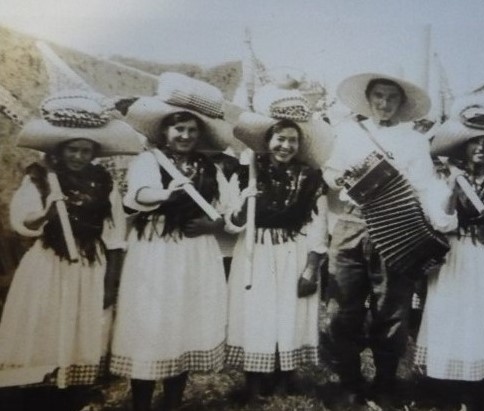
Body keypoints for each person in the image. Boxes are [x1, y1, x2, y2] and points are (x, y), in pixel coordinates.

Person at [0, 91, 142, 408]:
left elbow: (116, 233)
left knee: (84, 326)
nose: (78, 156)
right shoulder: (40, 177)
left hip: (90, 264)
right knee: (47, 323)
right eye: (73, 150)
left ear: (94, 153)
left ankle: (74, 394)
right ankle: (39, 391)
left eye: (85, 151)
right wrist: (47, 212)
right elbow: (23, 222)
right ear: (60, 150)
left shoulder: (103, 182)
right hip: (50, 264)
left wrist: (111, 282)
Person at [109, 73, 241, 411]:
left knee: (183, 324)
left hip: (195, 254)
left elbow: (229, 213)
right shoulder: (149, 161)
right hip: (155, 252)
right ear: (165, 132)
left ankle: (172, 402)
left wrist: (214, 225)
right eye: (179, 129)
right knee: (151, 323)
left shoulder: (210, 167)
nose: (185, 136)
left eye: (192, 131)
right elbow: (140, 195)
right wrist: (170, 193)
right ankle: (140, 403)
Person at [322, 73, 454, 406]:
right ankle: (350, 382)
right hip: (351, 224)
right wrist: (340, 177)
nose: (384, 103)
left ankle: (385, 383)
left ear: (401, 103)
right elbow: (330, 171)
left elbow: (424, 186)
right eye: (378, 96)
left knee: (391, 310)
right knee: (342, 308)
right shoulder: (348, 133)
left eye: (391, 98)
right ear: (368, 100)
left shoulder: (413, 140)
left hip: (394, 228)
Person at [414, 96, 484, 411]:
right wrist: (454, 189)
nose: (480, 148)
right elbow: (442, 222)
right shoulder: (444, 180)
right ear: (462, 148)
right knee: (453, 318)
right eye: (474, 142)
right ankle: (449, 389)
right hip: (457, 256)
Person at [223, 85, 332, 401]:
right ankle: (254, 384)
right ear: (268, 141)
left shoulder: (310, 177)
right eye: (280, 139)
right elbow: (232, 223)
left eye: (292, 140)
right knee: (255, 313)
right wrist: (245, 201)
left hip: (292, 250)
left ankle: (286, 381)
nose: (286, 146)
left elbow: (318, 224)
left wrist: (312, 267)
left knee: (290, 312)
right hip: (255, 252)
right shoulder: (246, 172)